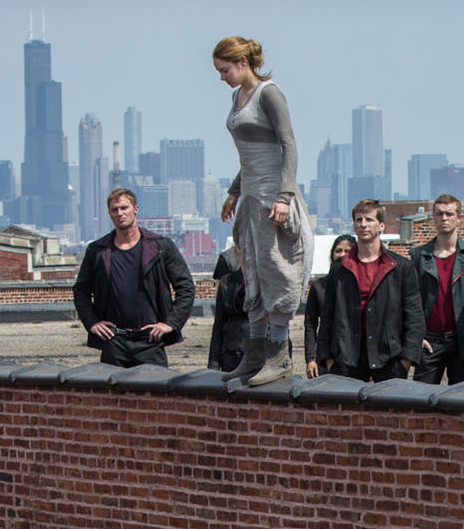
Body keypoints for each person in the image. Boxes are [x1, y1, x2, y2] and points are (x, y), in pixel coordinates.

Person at [213, 35, 313, 385]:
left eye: (224, 69)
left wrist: (284, 196)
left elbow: (288, 144)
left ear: (242, 63)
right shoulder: (236, 96)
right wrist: (234, 191)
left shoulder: (269, 93)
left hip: (273, 198)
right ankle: (254, 354)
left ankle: (278, 356)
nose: (222, 77)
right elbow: (251, 154)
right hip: (252, 197)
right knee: (253, 270)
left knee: (277, 271)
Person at [73, 189, 194, 368]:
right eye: (114, 210)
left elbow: (186, 287)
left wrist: (171, 324)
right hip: (114, 340)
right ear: (109, 214)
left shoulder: (161, 247)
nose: (120, 213)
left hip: (150, 340)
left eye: (124, 208)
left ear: (135, 209)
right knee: (113, 395)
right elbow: (80, 290)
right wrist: (92, 322)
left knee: (154, 393)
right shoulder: (98, 250)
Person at [316, 200, 424, 381]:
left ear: (381, 225)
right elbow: (328, 315)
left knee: (387, 409)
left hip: (388, 355)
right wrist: (328, 359)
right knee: (347, 409)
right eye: (358, 220)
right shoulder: (340, 267)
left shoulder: (400, 267)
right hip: (347, 356)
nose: (363, 224)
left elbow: (414, 316)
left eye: (369, 219)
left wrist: (406, 360)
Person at [409, 195, 464, 385]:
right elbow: (410, 302)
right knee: (421, 400)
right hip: (429, 340)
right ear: (433, 217)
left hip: (461, 339)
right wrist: (416, 337)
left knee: (462, 402)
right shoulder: (419, 256)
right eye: (439, 214)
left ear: (459, 218)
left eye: (449, 214)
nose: (444, 218)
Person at [304, 235, 354, 378]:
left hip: (354, 356)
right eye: (338, 250)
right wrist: (310, 358)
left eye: (347, 250)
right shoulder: (319, 287)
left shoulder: (359, 287)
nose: (341, 255)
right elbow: (310, 323)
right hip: (327, 354)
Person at [208, 246, 248, 372]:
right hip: (231, 354)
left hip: (262, 355)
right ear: (237, 250)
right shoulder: (227, 282)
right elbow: (218, 325)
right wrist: (213, 363)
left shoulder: (269, 282)